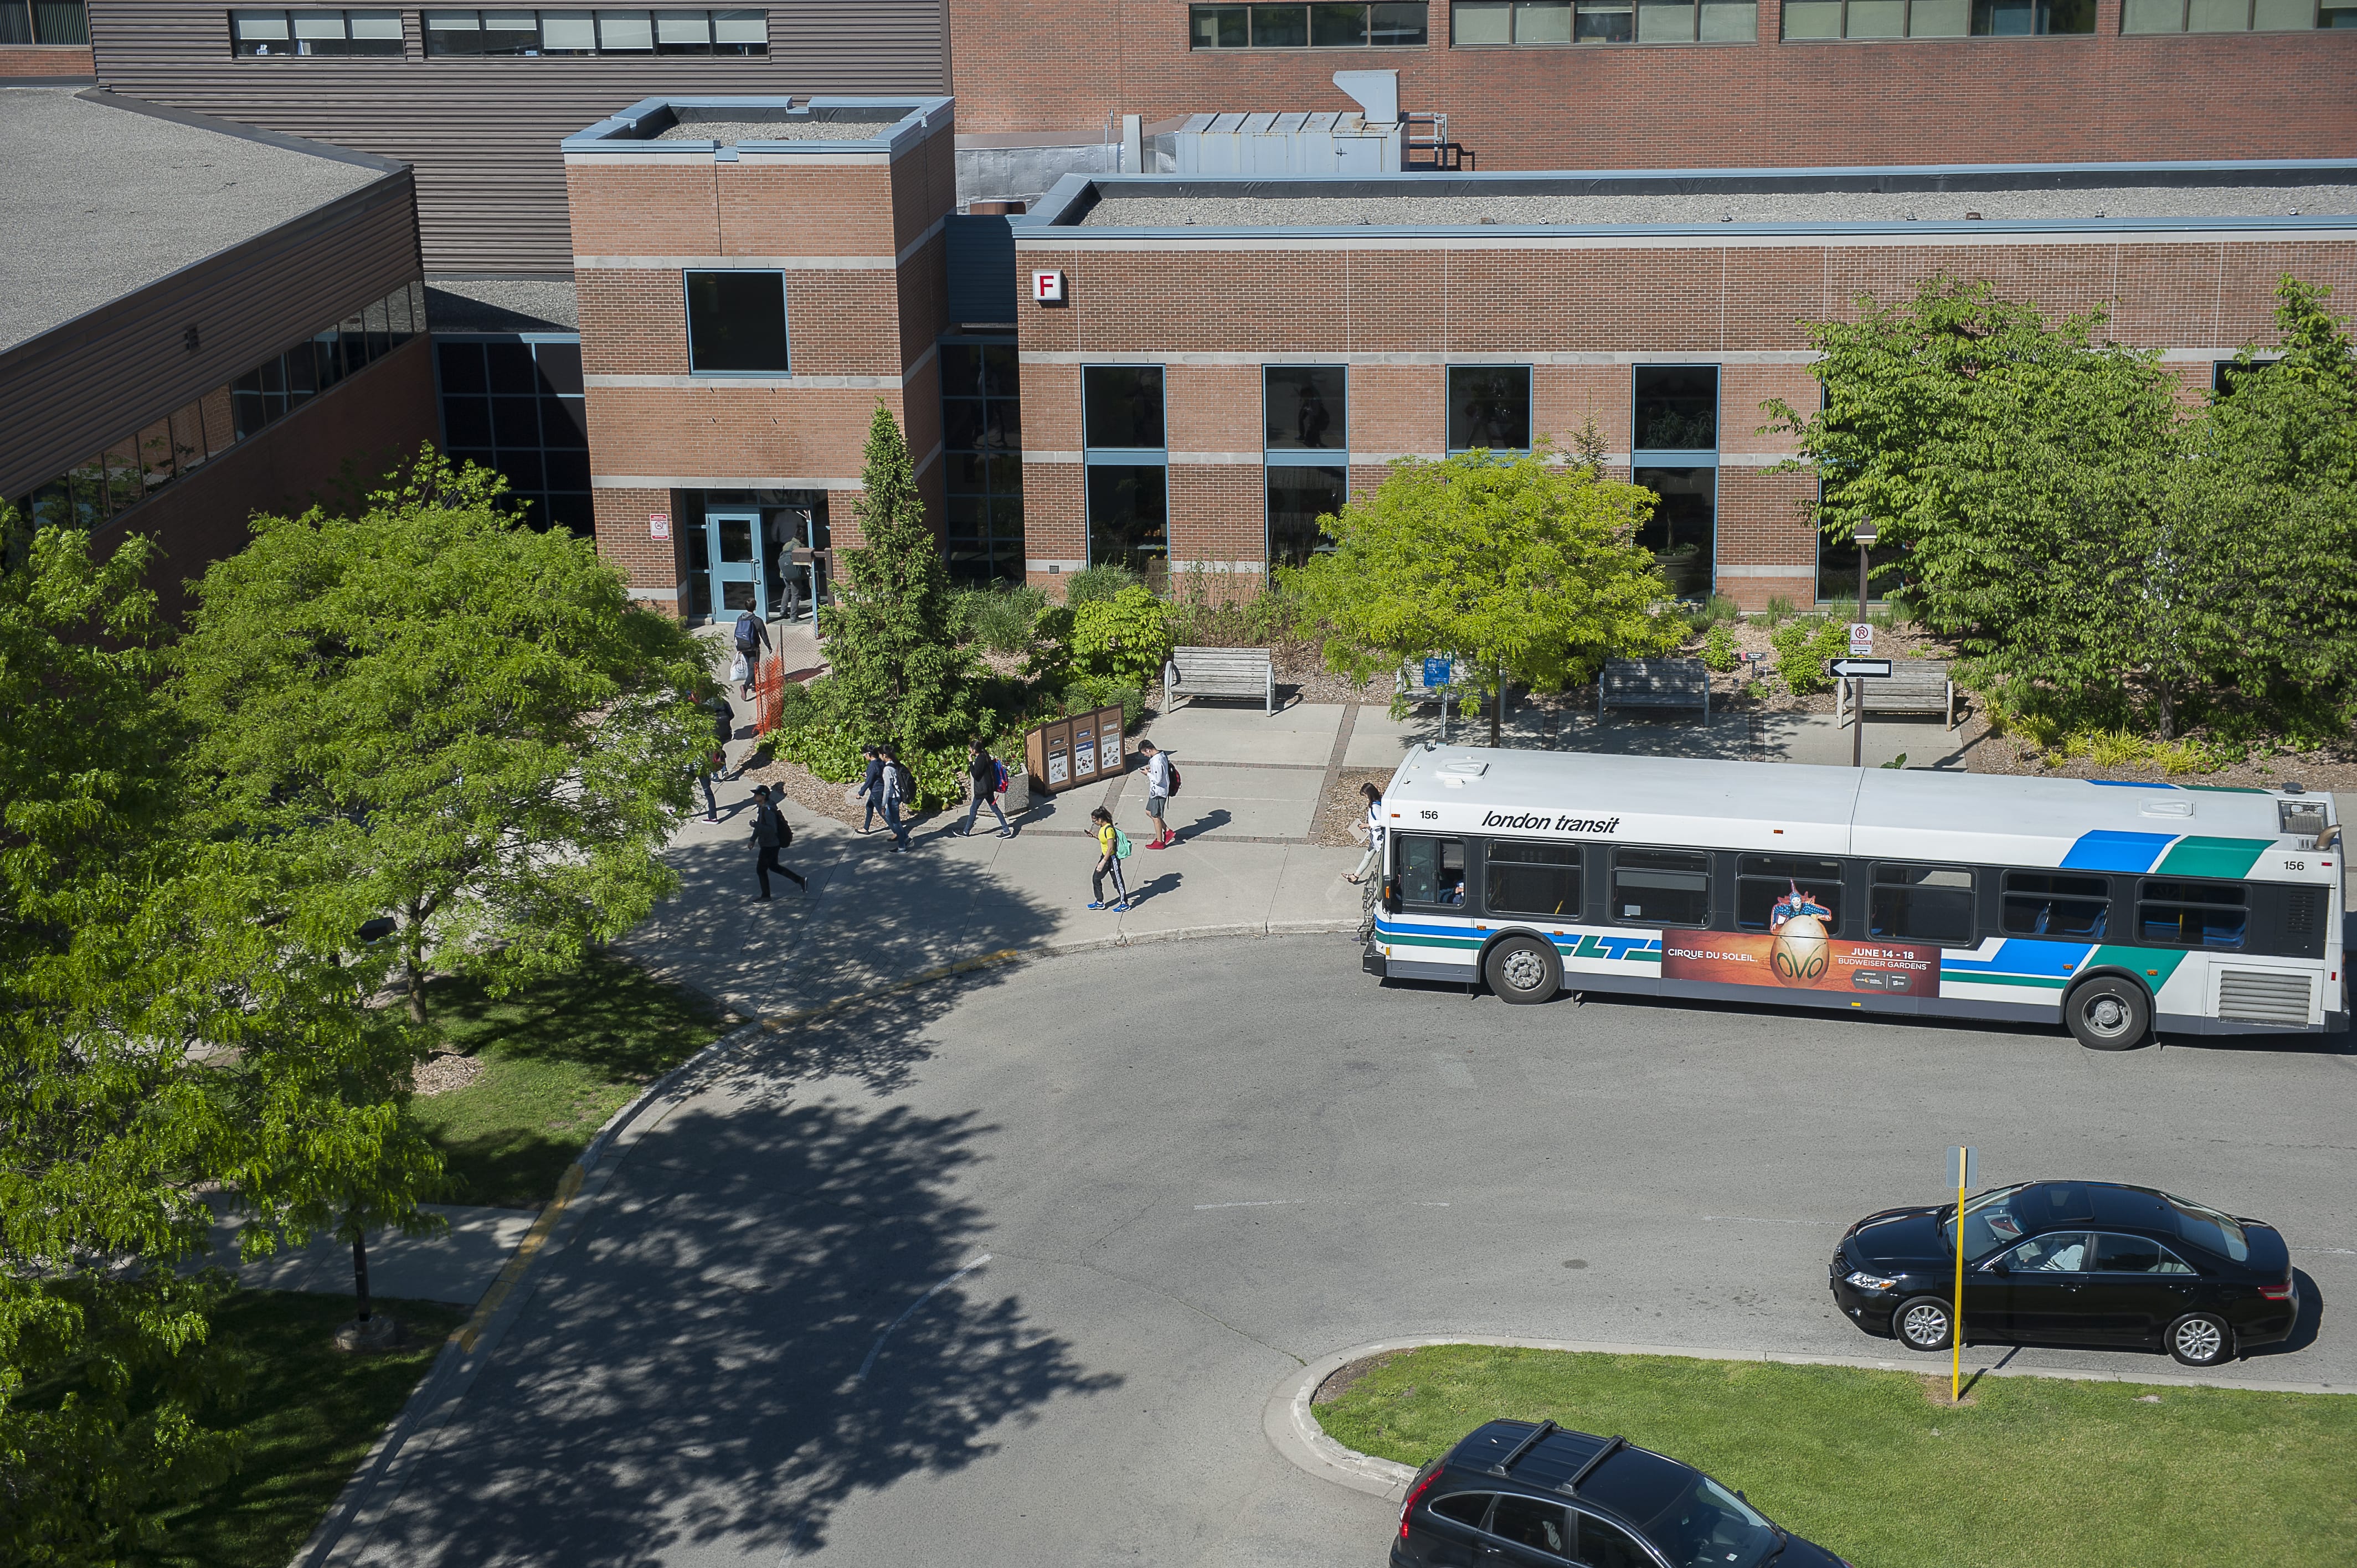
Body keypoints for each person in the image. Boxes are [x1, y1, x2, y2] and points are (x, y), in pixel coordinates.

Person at [749, 785, 806, 899]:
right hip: (770, 844)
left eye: (757, 794)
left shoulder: (769, 810)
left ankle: (766, 897)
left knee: (761, 870)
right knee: (774, 866)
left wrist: (756, 825)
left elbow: (772, 829)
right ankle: (800, 880)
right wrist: (752, 839)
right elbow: (760, 825)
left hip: (770, 845)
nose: (755, 796)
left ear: (763, 796)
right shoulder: (763, 807)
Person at [961, 739, 1011, 838]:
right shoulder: (985, 755)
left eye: (970, 748)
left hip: (982, 791)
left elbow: (976, 775)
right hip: (988, 789)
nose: (969, 750)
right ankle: (1006, 830)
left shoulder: (980, 759)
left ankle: (966, 832)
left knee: (973, 809)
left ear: (974, 750)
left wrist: (971, 762)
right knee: (995, 808)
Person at [1087, 806, 1130, 911]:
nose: (1094, 823)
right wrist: (1095, 836)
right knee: (1096, 879)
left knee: (1117, 881)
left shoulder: (1109, 829)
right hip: (1105, 857)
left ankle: (1124, 903)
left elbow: (1111, 848)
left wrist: (1103, 862)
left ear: (1100, 819)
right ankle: (1099, 902)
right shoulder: (1102, 828)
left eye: (1094, 821)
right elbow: (1105, 842)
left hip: (1111, 858)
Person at [698, 698, 733, 821]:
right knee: (718, 753)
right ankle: (723, 769)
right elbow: (731, 715)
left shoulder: (704, 704)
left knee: (711, 756)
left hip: (711, 735)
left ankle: (715, 775)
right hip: (724, 734)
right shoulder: (722, 700)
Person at [1344, 782, 1384, 884]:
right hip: (1375, 838)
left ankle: (1383, 883)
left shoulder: (1375, 808)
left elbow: (1381, 821)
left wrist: (1367, 825)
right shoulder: (1380, 801)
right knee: (1367, 857)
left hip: (1379, 839)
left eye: (1365, 795)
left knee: (1384, 862)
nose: (1366, 798)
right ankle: (1355, 876)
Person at [1138, 739, 1175, 848]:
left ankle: (1160, 841)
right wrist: (1151, 770)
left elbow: (1158, 779)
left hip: (1158, 792)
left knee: (1155, 816)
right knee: (1149, 812)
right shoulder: (1161, 755)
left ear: (1148, 750)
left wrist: (1147, 774)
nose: (1145, 755)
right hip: (1157, 791)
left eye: (1144, 753)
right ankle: (1168, 831)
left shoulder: (1156, 761)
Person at [732, 606, 769, 700]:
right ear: (755, 607)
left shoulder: (740, 618)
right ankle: (745, 686)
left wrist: (738, 646)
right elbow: (764, 635)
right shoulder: (757, 621)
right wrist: (769, 646)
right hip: (754, 648)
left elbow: (737, 632)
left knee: (750, 666)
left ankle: (754, 686)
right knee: (754, 668)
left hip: (743, 647)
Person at [879, 742, 912, 851]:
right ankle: (906, 838)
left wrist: (883, 804)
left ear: (884, 755)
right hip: (898, 796)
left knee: (896, 822)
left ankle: (902, 847)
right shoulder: (895, 764)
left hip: (893, 798)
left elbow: (887, 788)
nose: (879, 757)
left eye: (880, 755)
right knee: (889, 816)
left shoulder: (888, 769)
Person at [854, 744, 886, 833]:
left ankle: (898, 832)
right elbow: (877, 774)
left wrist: (861, 793)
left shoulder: (872, 766)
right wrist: (868, 774)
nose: (864, 757)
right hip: (880, 788)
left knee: (883, 813)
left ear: (868, 755)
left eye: (864, 755)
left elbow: (869, 782)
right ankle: (865, 828)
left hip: (876, 791)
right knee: (869, 806)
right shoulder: (880, 761)